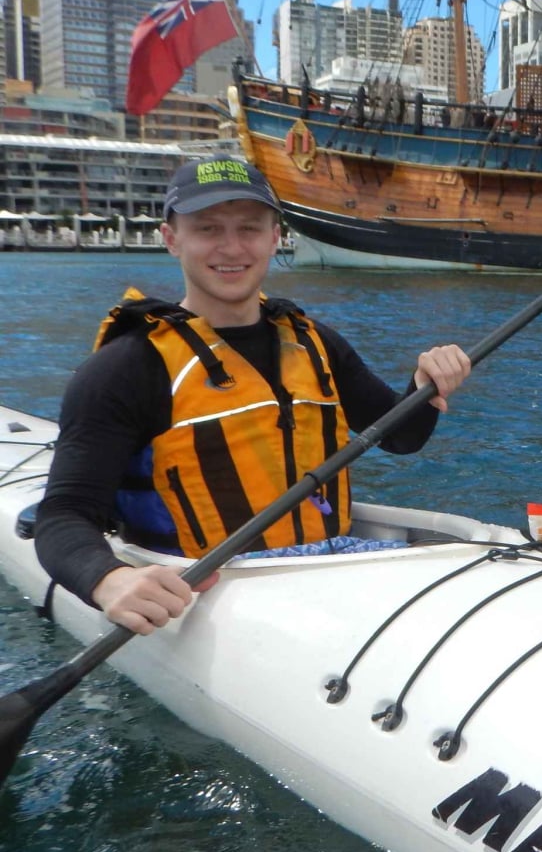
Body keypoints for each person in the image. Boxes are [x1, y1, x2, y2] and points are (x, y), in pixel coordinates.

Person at [35, 156, 472, 637]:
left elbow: (401, 437)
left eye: (249, 228)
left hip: (328, 572)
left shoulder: (313, 342)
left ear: (274, 237)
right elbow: (63, 516)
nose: (232, 247)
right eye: (208, 229)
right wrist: (109, 579)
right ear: (171, 239)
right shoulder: (125, 368)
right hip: (208, 588)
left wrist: (425, 384)